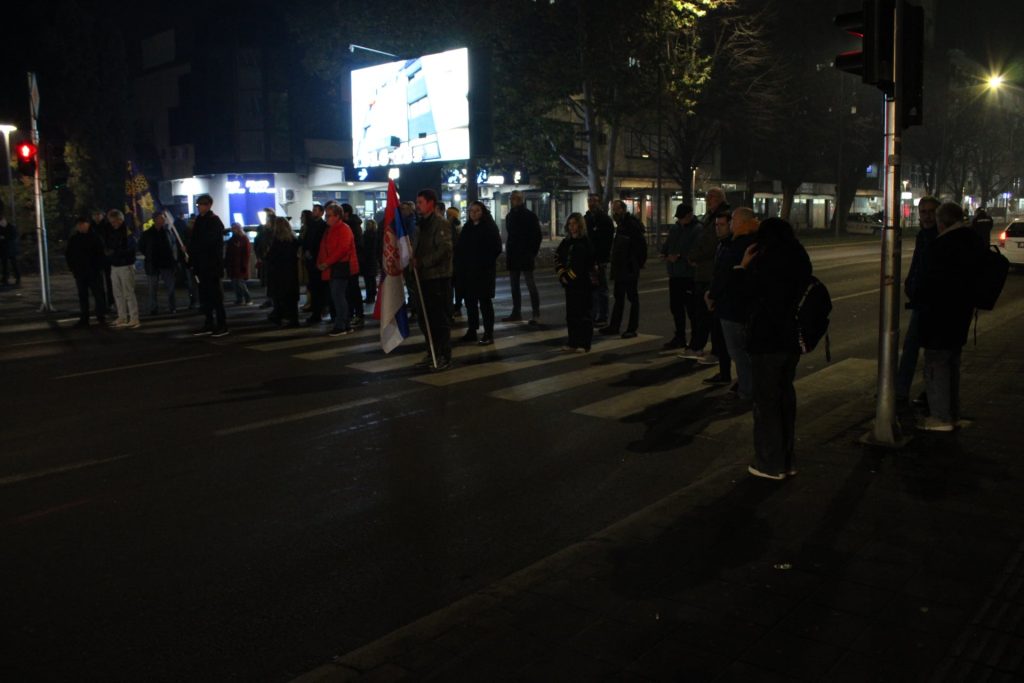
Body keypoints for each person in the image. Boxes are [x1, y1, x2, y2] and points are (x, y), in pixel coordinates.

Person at [734, 217, 812, 480]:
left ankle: (769, 463)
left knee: (766, 403)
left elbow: (745, 295)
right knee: (784, 399)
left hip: (767, 339)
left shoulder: (766, 261)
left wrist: (743, 266)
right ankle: (787, 460)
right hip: (791, 338)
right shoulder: (799, 257)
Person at [916, 202, 986, 431]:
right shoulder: (972, 240)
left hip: (940, 314)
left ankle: (940, 417)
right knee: (953, 361)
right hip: (962, 312)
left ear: (942, 221)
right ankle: (953, 413)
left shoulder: (943, 245)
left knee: (937, 363)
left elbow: (927, 281)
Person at [710, 208, 759, 400]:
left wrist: (712, 294)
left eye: (733, 221)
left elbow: (727, 276)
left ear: (741, 223)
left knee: (738, 352)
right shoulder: (749, 243)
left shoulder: (739, 245)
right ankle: (747, 386)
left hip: (733, 306)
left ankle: (747, 391)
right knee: (743, 352)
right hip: (741, 306)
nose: (731, 224)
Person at [896, 195, 940, 404]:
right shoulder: (922, 235)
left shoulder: (941, 236)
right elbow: (918, 261)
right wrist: (909, 282)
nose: (928, 216)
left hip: (936, 302)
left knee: (933, 351)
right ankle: (901, 390)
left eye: (932, 212)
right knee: (912, 346)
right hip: (921, 299)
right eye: (924, 212)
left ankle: (928, 392)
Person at [410, 188, 453, 370]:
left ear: (431, 203)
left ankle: (443, 354)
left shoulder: (440, 224)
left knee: (438, 319)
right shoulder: (421, 225)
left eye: (420, 202)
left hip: (437, 277)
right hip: (422, 278)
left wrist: (423, 262)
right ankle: (432, 351)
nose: (417, 206)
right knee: (424, 318)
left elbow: (444, 250)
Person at [454, 201, 502, 345]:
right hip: (468, 272)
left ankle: (488, 333)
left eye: (477, 211)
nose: (474, 213)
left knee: (485, 303)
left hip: (483, 272)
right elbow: (461, 247)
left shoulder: (489, 227)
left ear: (483, 212)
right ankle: (472, 330)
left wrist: (483, 261)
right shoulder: (468, 227)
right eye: (471, 211)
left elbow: (496, 248)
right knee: (470, 302)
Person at [600, 200, 647, 339]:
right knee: (619, 297)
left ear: (623, 209)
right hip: (621, 266)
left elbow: (641, 245)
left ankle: (632, 328)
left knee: (632, 298)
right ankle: (614, 326)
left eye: (616, 209)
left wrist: (638, 263)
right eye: (613, 210)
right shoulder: (622, 224)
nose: (614, 212)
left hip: (629, 266)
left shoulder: (630, 224)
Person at [660, 204, 701, 350]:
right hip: (675, 274)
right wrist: (665, 253)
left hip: (688, 275)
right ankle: (680, 337)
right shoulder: (675, 228)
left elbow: (696, 251)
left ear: (690, 215)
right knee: (676, 308)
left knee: (691, 310)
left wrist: (679, 257)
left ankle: (696, 340)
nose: (680, 220)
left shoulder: (697, 230)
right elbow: (667, 245)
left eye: (682, 217)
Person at [555, 212, 596, 352]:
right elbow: (558, 257)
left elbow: (585, 264)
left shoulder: (585, 242)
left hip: (583, 284)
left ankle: (585, 344)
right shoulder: (566, 242)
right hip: (570, 285)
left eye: (575, 224)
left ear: (580, 225)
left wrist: (569, 276)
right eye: (570, 224)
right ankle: (572, 342)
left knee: (584, 314)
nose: (572, 227)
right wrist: (562, 274)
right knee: (571, 315)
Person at [189, 194, 228, 337]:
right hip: (201, 264)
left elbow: (209, 242)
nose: (200, 207)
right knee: (205, 297)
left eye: (203, 204)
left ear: (210, 205)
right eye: (199, 205)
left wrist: (196, 246)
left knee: (215, 296)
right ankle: (209, 323)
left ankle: (222, 324)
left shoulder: (214, 221)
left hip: (212, 265)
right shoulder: (199, 220)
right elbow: (195, 241)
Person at [318, 203, 359, 337]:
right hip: (335, 267)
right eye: (326, 215)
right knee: (338, 296)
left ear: (337, 216)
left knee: (338, 297)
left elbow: (342, 250)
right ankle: (344, 324)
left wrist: (326, 263)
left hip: (340, 266)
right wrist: (321, 262)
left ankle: (341, 325)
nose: (326, 218)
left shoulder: (343, 229)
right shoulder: (331, 229)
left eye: (329, 215)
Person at [703, 211, 734, 386]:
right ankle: (724, 373)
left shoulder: (731, 245)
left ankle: (740, 380)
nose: (718, 228)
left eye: (721, 225)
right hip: (719, 300)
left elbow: (724, 275)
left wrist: (712, 295)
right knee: (720, 340)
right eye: (716, 225)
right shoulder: (721, 245)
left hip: (726, 300)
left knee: (732, 343)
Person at [502, 190, 543, 324]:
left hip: (525, 254)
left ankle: (535, 313)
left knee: (530, 284)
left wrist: (532, 252)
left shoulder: (529, 216)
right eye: (512, 199)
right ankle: (516, 312)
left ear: (521, 200)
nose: (514, 201)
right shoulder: (510, 216)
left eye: (516, 199)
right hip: (514, 254)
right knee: (514, 285)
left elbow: (537, 236)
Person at [65, 216, 108, 327]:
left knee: (98, 294)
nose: (81, 227)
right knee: (83, 296)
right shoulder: (74, 239)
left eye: (82, 225)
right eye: (79, 225)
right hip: (80, 272)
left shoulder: (95, 237)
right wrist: (73, 268)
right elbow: (69, 255)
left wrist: (99, 267)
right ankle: (85, 317)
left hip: (93, 271)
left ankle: (100, 316)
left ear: (87, 225)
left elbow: (101, 253)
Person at [105, 210, 141, 329]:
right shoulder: (112, 231)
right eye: (111, 222)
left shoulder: (127, 232)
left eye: (114, 221)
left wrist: (115, 253)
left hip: (125, 265)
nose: (113, 224)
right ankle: (122, 317)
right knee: (117, 293)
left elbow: (131, 249)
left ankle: (134, 318)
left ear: (120, 220)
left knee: (128, 293)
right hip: (115, 265)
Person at [139, 211, 178, 315]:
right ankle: (153, 308)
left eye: (163, 218)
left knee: (170, 287)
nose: (163, 220)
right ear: (155, 219)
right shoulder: (148, 233)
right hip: (153, 264)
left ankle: (172, 307)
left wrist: (174, 260)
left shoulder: (168, 232)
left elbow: (173, 245)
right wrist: (148, 254)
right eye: (161, 218)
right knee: (152, 288)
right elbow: (141, 246)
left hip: (167, 263)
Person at [585, 193, 614, 326]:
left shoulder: (604, 220)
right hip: (589, 259)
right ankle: (593, 313)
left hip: (600, 259)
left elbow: (605, 242)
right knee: (591, 289)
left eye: (594, 201)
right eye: (590, 201)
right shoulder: (587, 218)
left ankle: (602, 315)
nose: (591, 203)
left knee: (601, 288)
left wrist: (599, 259)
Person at [266, 216, 300, 327]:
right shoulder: (293, 240)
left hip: (278, 273)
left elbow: (271, 257)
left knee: (279, 296)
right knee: (291, 298)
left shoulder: (277, 241)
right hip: (291, 272)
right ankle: (293, 319)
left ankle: (279, 316)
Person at [303, 203, 329, 324]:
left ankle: (318, 311)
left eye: (315, 210)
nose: (313, 212)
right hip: (311, 260)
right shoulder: (312, 225)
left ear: (321, 212)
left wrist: (312, 252)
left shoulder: (323, 226)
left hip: (318, 260)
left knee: (318, 287)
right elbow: (306, 240)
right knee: (313, 287)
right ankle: (316, 309)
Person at [341, 203, 366, 327]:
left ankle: (358, 314)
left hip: (352, 261)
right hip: (351, 261)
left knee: (353, 290)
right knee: (350, 290)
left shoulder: (351, 226)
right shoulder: (352, 225)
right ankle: (353, 313)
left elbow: (356, 245)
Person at [224, 222, 253, 305]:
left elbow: (246, 253)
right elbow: (228, 253)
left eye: (234, 228)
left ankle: (248, 299)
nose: (233, 230)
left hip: (239, 265)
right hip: (233, 265)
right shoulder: (232, 240)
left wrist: (244, 265)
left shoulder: (243, 239)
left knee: (240, 283)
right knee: (235, 283)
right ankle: (239, 299)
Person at [91, 208, 115, 306]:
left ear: (102, 215)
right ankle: (101, 303)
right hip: (96, 258)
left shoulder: (107, 226)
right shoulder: (91, 227)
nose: (97, 217)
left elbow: (111, 239)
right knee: (98, 282)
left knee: (110, 281)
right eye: (95, 215)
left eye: (99, 214)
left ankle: (111, 302)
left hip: (106, 257)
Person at [254, 208, 276, 307]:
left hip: (271, 258)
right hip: (264, 257)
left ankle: (273, 299)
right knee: (266, 279)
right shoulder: (262, 229)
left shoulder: (275, 229)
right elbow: (257, 243)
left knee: (271, 279)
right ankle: (269, 299)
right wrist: (258, 256)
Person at [447, 206, 463, 318]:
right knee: (457, 286)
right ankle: (457, 306)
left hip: (453, 259)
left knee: (452, 285)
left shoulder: (450, 225)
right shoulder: (460, 225)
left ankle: (455, 306)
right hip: (458, 259)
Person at [361, 218, 379, 305]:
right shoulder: (375, 235)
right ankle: (371, 295)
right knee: (371, 279)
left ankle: (370, 296)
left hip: (368, 260)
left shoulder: (366, 235)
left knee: (369, 280)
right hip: (372, 260)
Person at [0, 215, 20, 287]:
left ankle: (17, 278)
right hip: (4, 249)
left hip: (11, 249)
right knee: (4, 264)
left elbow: (14, 236)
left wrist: (5, 237)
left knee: (14, 264)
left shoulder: (11, 227)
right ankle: (5, 278)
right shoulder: (2, 228)